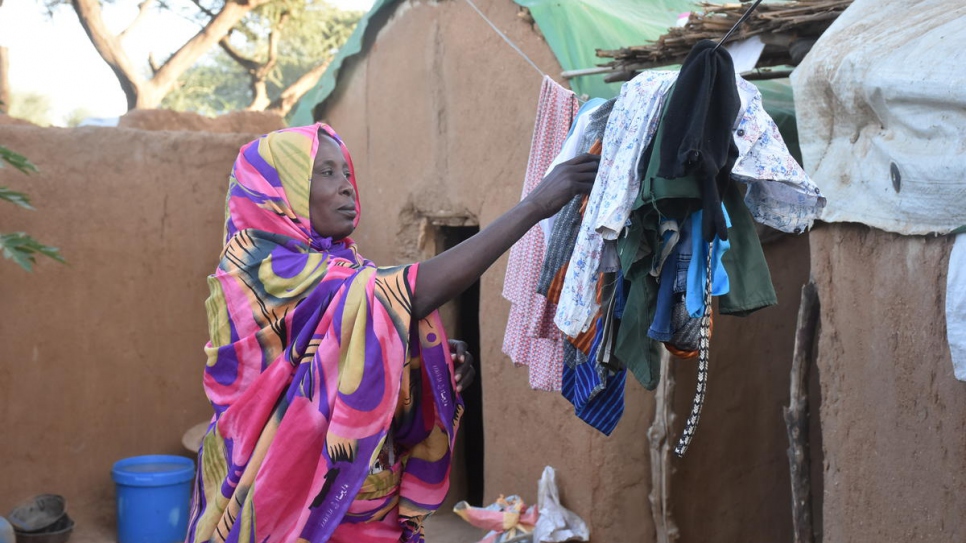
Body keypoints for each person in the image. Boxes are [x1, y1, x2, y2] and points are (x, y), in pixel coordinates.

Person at [185, 123, 599, 543]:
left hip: (363, 503)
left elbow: (363, 331)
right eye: (325, 172)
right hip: (279, 498)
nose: (348, 186)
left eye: (346, 172)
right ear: (278, 190)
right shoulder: (259, 272)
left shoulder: (342, 266)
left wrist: (422, 356)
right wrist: (535, 205)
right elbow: (403, 295)